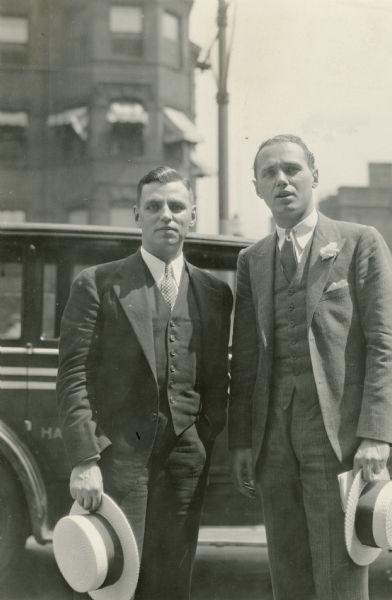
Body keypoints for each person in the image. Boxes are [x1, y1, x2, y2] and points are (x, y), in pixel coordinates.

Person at [228, 134, 392, 600]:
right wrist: (243, 442)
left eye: (291, 169)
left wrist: (377, 434)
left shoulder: (359, 242)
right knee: (288, 578)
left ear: (314, 175)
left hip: (340, 441)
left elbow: (391, 344)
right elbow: (247, 360)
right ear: (256, 187)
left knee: (341, 579)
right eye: (269, 173)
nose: (282, 181)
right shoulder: (252, 260)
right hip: (273, 444)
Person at [57, 166, 233, 600]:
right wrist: (85, 458)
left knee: (173, 582)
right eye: (153, 206)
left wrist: (201, 436)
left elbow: (216, 379)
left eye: (177, 206)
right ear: (136, 215)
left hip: (186, 460)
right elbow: (72, 375)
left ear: (193, 215)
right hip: (119, 459)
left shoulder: (215, 293)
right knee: (116, 580)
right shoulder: (98, 284)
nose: (166, 215)